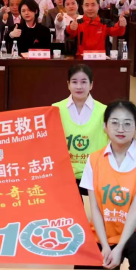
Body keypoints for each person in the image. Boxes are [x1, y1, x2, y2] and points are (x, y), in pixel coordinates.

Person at [79, 101, 136, 270]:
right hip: (103, 232)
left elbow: (134, 211)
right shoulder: (94, 160)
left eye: (127, 123)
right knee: (85, 261)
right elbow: (95, 208)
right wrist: (105, 246)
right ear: (105, 126)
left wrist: (119, 247)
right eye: (115, 123)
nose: (121, 129)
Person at [53, 65, 108, 196]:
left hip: (95, 172)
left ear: (91, 85)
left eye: (84, 82)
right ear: (68, 84)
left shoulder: (104, 111)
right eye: (74, 82)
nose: (79, 87)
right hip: (65, 173)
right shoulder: (55, 109)